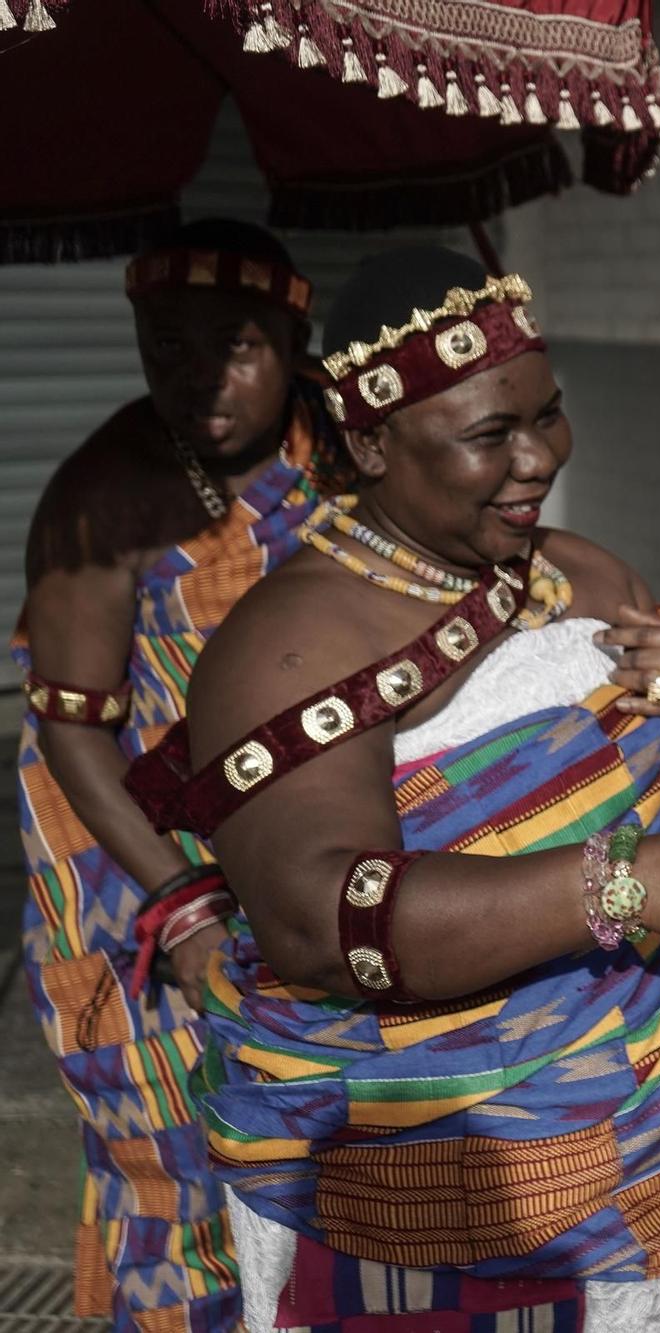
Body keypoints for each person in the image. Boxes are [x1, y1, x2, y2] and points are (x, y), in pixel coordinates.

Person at [124, 246, 660, 1333]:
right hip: (462, 1203)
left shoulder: (577, 573)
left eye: (547, 417)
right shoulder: (288, 649)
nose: (538, 460)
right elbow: (319, 926)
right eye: (489, 436)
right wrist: (624, 884)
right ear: (369, 441)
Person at [15, 218, 335, 1333]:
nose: (196, 378)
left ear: (296, 337)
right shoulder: (104, 498)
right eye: (165, 344)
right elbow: (70, 737)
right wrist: (182, 908)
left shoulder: (348, 437)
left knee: (335, 1163)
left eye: (233, 345)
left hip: (313, 847)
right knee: (185, 1166)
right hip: (139, 861)